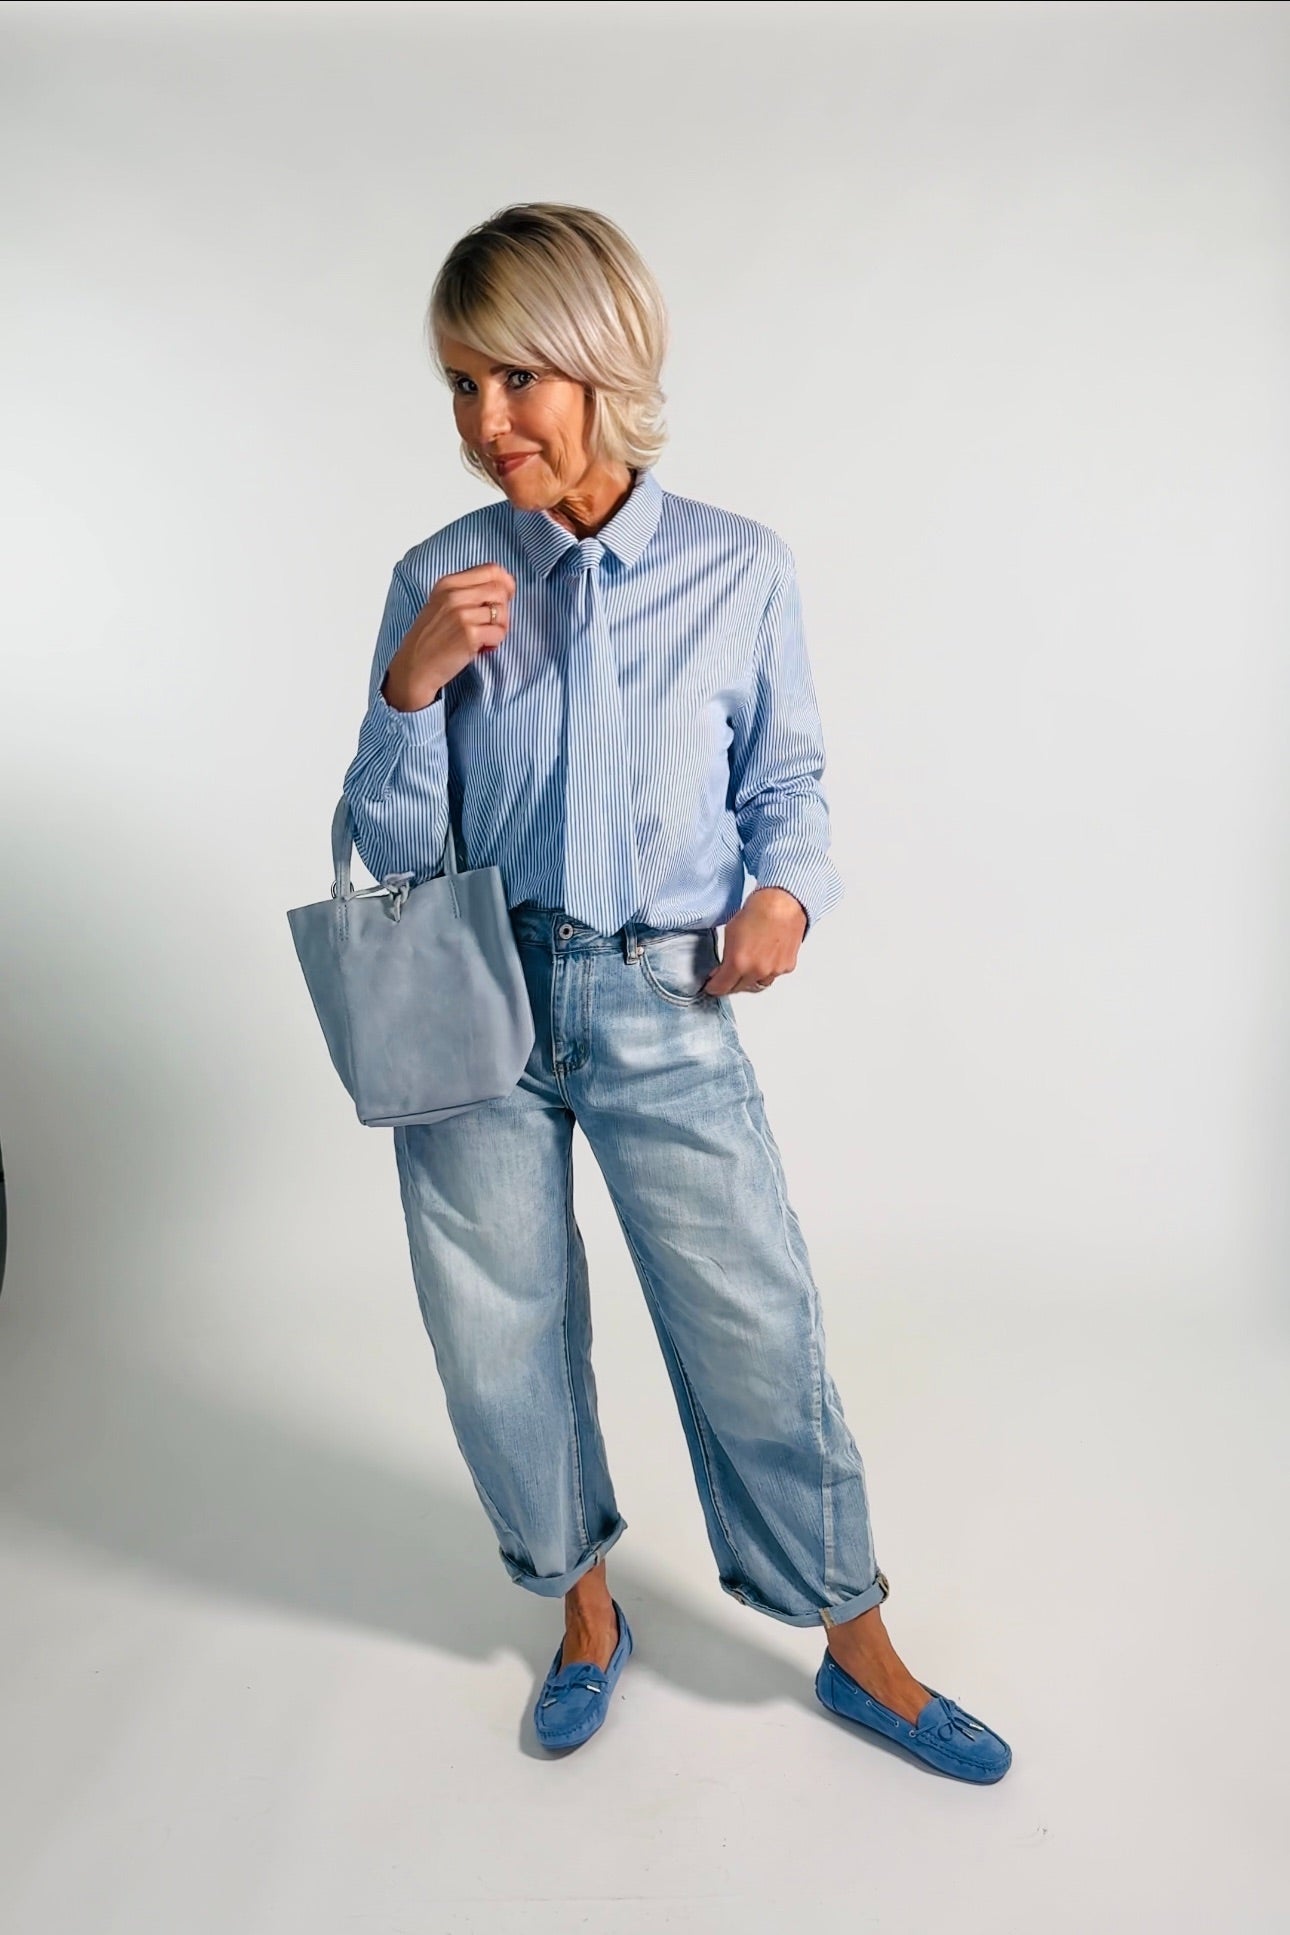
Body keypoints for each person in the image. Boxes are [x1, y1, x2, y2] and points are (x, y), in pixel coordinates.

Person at [342, 202, 1011, 1781]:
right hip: (477, 1000)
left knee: (751, 1323)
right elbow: (392, 846)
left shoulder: (737, 568)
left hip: (661, 995)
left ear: (598, 362)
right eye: (459, 387)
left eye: (514, 378)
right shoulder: (438, 578)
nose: (484, 422)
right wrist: (410, 687)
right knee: (497, 1337)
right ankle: (584, 1619)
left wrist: (785, 895)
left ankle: (859, 1650)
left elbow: (786, 782)